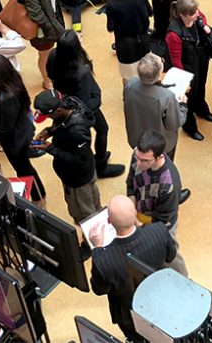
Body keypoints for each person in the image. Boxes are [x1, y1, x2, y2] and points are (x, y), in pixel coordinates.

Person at [88, 195, 177, 342]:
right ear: (135, 212)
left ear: (109, 221)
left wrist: (97, 248)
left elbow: (99, 289)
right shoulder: (159, 231)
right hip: (160, 299)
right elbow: (171, 256)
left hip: (129, 314)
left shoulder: (103, 259)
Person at [47, 29, 124, 178]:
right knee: (103, 129)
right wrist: (97, 99)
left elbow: (51, 76)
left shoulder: (53, 56)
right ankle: (101, 165)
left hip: (64, 102)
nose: (81, 36)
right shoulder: (81, 70)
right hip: (83, 108)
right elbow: (86, 101)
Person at [0, 54, 46, 202]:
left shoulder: (8, 97)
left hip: (16, 139)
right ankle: (36, 193)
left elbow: (7, 127)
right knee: (22, 167)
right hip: (10, 135)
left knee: (24, 169)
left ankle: (38, 196)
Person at [127, 129, 190, 276]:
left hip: (161, 223)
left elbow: (162, 222)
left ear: (159, 156)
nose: (138, 163)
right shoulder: (139, 154)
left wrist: (137, 224)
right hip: (140, 214)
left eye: (144, 161)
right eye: (137, 158)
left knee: (170, 255)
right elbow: (131, 181)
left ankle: (185, 281)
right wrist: (131, 203)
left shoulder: (169, 184)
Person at [33, 89, 101, 223]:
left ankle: (92, 242)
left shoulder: (77, 131)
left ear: (58, 110)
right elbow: (62, 124)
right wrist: (50, 131)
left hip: (77, 180)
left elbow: (78, 160)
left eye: (48, 116)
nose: (48, 119)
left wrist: (50, 148)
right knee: (94, 204)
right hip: (86, 169)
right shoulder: (69, 104)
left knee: (85, 217)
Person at [166, 0, 212, 140]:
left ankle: (202, 110)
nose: (198, 15)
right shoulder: (173, 34)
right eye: (194, 14)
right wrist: (184, 81)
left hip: (200, 58)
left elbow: (203, 17)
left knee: (201, 86)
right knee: (188, 96)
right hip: (186, 66)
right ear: (183, 15)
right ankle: (189, 127)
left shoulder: (195, 15)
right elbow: (176, 59)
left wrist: (205, 25)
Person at [123, 53, 187, 158]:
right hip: (160, 146)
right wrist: (183, 105)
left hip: (137, 139)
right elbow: (174, 124)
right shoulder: (167, 97)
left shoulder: (130, 84)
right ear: (159, 73)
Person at [20, 0, 65, 90]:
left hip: (53, 19)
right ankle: (47, 81)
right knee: (44, 54)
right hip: (43, 29)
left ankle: (53, 73)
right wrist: (50, 27)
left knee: (52, 51)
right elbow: (35, 12)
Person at [103, 0, 152, 82]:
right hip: (144, 39)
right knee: (148, 73)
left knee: (129, 79)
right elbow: (150, 12)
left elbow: (110, 27)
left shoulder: (112, 5)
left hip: (126, 46)